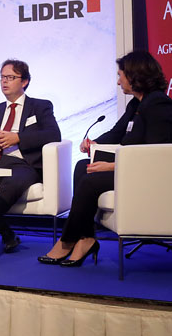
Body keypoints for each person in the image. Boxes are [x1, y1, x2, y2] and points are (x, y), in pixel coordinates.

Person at [39, 50, 172, 267]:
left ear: (135, 75)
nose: (118, 82)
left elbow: (156, 153)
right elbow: (117, 133)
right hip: (132, 169)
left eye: (121, 76)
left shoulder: (158, 103)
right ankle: (86, 238)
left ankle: (67, 240)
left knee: (89, 181)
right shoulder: (136, 104)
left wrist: (113, 166)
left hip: (147, 175)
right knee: (83, 166)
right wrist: (94, 144)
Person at [0, 59, 61, 253]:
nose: (4, 81)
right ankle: (6, 232)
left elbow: (53, 134)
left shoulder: (40, 106)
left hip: (23, 164)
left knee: (12, 183)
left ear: (24, 81)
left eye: (10, 77)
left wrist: (18, 138)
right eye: (2, 77)